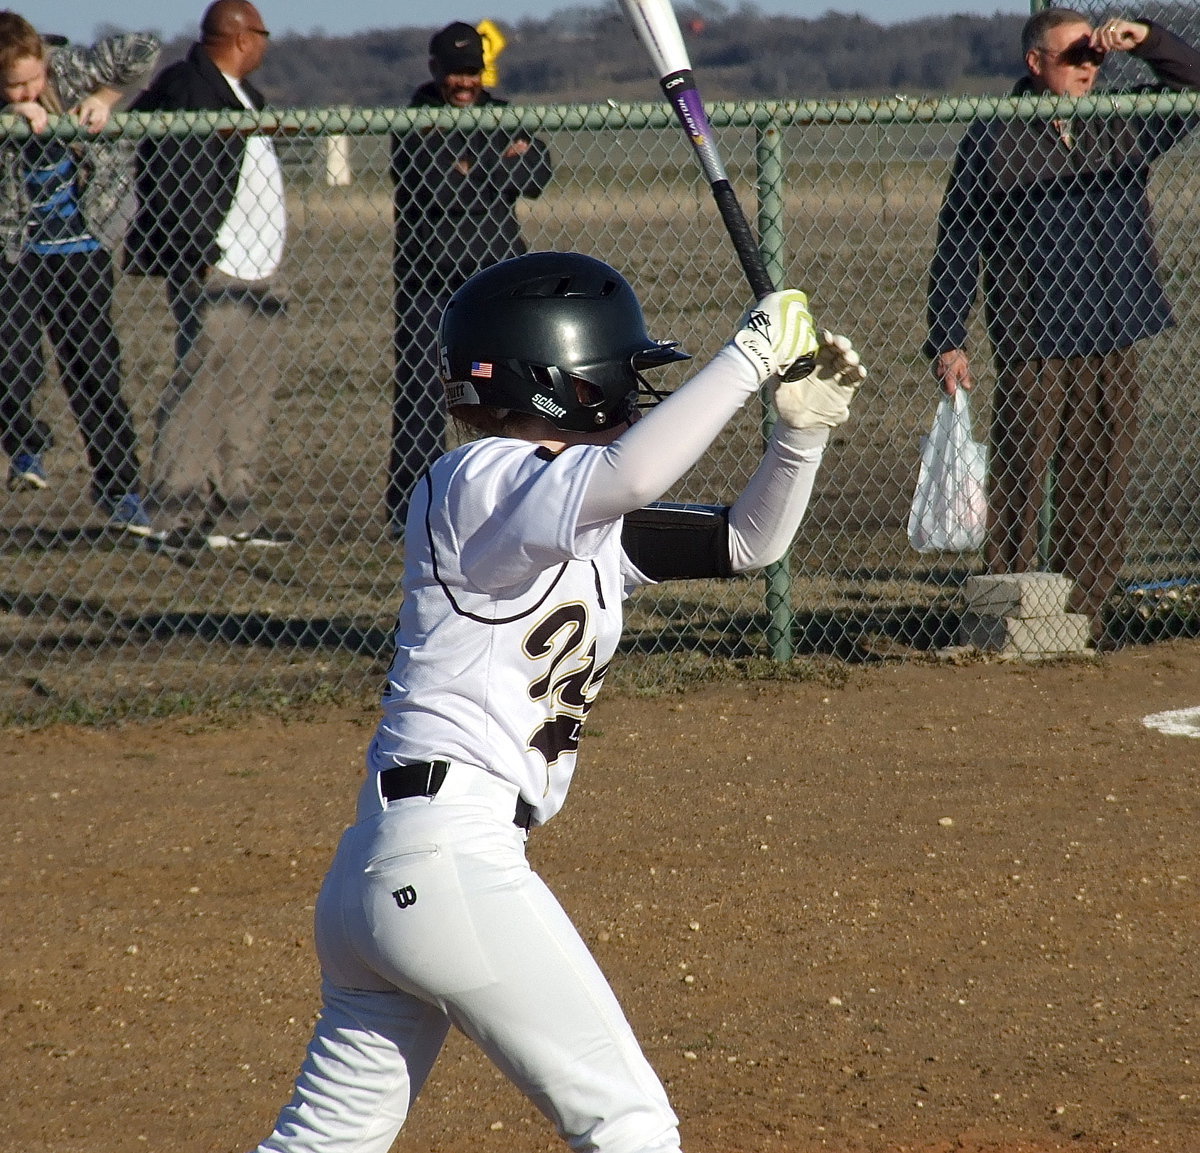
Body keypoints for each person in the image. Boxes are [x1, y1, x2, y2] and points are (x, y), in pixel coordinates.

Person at [250, 251, 865, 1153]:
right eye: (620, 371)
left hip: (390, 868)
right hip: (451, 858)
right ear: (565, 379)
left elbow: (746, 541)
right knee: (628, 1122)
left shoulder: (565, 508)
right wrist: (745, 355)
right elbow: (628, 477)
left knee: (319, 1146)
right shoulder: (480, 479)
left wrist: (799, 436)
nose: (632, 387)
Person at [925, 9, 1200, 641]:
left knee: (1099, 480)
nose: (1089, 67)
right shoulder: (996, 138)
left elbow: (1192, 84)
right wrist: (948, 338)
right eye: (1074, 56)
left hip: (1113, 325)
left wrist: (1147, 40)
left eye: (1096, 56)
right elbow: (960, 242)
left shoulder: (1121, 122)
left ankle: (1082, 618)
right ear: (1035, 63)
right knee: (1023, 474)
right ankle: (1007, 615)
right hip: (1034, 334)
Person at [126, 0, 288, 551]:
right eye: (263, 34)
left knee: (246, 393)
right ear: (242, 37)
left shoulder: (244, 96)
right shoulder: (190, 89)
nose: (267, 44)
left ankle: (232, 509)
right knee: (199, 387)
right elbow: (172, 179)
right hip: (216, 268)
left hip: (261, 271)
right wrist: (196, 253)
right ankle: (171, 515)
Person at [388, 20, 551, 536]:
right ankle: (409, 511)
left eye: (473, 72)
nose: (465, 83)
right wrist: (497, 161)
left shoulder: (501, 114)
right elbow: (437, 189)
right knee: (420, 391)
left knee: (509, 391)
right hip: (428, 280)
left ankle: (508, 498)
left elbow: (538, 176)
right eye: (455, 73)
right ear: (434, 70)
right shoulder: (410, 119)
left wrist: (467, 163)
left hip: (494, 279)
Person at [0, 11, 158, 533]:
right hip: (17, 253)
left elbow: (143, 50)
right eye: (12, 85)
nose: (26, 90)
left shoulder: (68, 71)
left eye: (32, 78)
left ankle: (119, 489)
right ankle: (25, 449)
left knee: (94, 370)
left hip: (82, 246)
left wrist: (104, 98)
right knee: (12, 361)